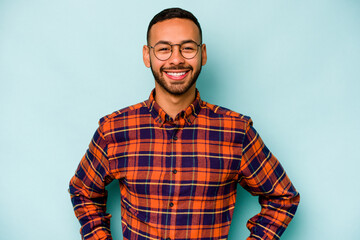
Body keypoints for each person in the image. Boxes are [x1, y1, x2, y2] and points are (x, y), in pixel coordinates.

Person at [69, 7, 300, 240]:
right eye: (164, 49)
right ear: (147, 56)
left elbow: (283, 198)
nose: (177, 59)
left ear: (203, 54)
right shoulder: (114, 130)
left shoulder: (236, 131)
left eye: (188, 48)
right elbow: (82, 191)